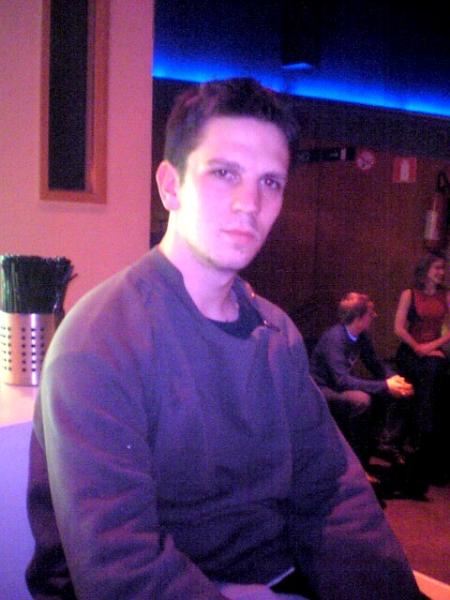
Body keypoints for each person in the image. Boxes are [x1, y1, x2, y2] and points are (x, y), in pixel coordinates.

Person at [26, 78, 422, 600]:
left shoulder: (276, 332)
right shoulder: (99, 342)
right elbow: (121, 565)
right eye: (224, 173)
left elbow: (332, 491)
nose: (249, 203)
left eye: (270, 182)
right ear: (170, 186)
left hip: (281, 573)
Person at [310, 292, 413, 472]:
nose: (374, 316)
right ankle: (356, 461)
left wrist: (394, 379)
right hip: (322, 388)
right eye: (370, 314)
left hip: (339, 384)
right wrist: (384, 386)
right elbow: (341, 380)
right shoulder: (334, 339)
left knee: (390, 394)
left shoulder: (361, 335)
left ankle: (377, 447)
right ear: (358, 318)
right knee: (361, 400)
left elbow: (374, 363)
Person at [394, 251, 450, 486]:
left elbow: (449, 331)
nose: (441, 272)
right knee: (426, 376)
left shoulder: (446, 295)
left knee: (436, 374)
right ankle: (414, 437)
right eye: (437, 268)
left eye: (443, 268)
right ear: (425, 270)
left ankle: (425, 443)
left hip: (432, 349)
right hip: (411, 350)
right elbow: (399, 328)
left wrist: (431, 347)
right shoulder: (409, 294)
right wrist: (418, 347)